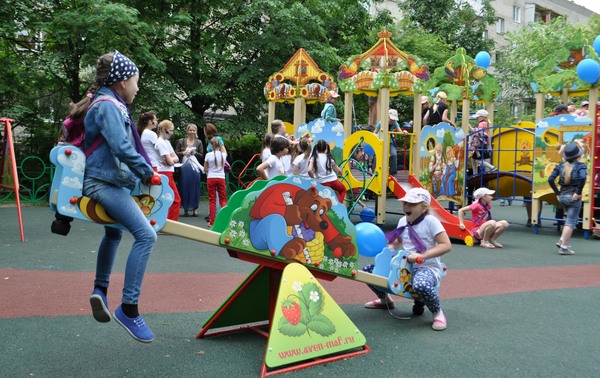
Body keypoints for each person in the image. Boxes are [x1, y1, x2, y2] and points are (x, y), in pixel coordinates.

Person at [82, 51, 157, 342]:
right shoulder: (109, 106)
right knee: (146, 236)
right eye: (137, 82)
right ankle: (129, 308)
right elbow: (122, 147)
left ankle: (100, 290)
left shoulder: (105, 102)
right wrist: (146, 172)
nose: (138, 88)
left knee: (113, 234)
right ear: (123, 81)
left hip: (106, 180)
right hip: (103, 183)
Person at [363, 188, 451, 331]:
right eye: (405, 202)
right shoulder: (403, 220)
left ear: (423, 208)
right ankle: (385, 301)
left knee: (421, 284)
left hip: (426, 267)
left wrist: (422, 256)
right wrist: (390, 248)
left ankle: (437, 312)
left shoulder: (431, 222)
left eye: (411, 204)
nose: (406, 206)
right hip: (405, 266)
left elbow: (446, 245)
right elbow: (398, 240)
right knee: (369, 272)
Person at [548, 142, 587, 255]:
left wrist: (557, 193)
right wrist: (578, 192)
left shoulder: (561, 166)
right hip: (573, 196)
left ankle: (562, 240)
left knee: (570, 220)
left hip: (563, 196)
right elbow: (583, 177)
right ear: (578, 156)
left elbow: (550, 179)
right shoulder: (581, 166)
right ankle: (564, 247)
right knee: (571, 222)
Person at [176, 123, 204, 217]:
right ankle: (185, 209)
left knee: (194, 187)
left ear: (196, 131)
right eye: (190, 130)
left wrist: (194, 153)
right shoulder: (181, 141)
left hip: (195, 168)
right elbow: (176, 153)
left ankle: (195, 209)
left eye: (193, 130)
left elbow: (201, 155)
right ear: (187, 131)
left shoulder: (199, 142)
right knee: (184, 187)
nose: (192, 132)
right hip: (184, 167)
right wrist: (183, 153)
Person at [308, 139, 347, 204]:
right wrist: (341, 172)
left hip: (322, 182)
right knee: (342, 190)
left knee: (321, 198)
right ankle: (339, 207)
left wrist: (314, 178)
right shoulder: (329, 157)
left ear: (316, 148)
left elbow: (309, 170)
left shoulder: (314, 158)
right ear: (326, 147)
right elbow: (338, 170)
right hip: (333, 181)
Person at [156, 120, 181, 221]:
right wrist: (171, 160)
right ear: (164, 130)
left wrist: (171, 160)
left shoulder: (167, 142)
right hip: (164, 173)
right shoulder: (161, 143)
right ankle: (170, 223)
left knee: (169, 198)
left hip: (167, 172)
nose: (172, 133)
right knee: (175, 199)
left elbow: (175, 158)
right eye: (170, 130)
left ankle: (167, 222)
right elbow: (170, 161)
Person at [204, 137, 228, 228]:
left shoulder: (208, 155)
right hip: (221, 178)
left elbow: (205, 168)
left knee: (212, 200)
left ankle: (212, 222)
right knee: (223, 199)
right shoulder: (223, 155)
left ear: (211, 145)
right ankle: (225, 220)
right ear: (219, 145)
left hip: (211, 178)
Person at [373, 109, 405, 175]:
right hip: (381, 141)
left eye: (394, 119)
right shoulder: (381, 123)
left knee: (393, 155)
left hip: (390, 141)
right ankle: (374, 172)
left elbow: (400, 132)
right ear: (387, 117)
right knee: (377, 156)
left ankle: (393, 173)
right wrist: (376, 135)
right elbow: (374, 132)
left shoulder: (395, 123)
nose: (392, 121)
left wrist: (404, 132)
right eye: (391, 119)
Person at [469, 109, 496, 173]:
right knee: (473, 158)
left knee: (477, 160)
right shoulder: (485, 123)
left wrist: (470, 128)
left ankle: (492, 167)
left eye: (478, 117)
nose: (477, 119)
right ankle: (475, 173)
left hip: (479, 144)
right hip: (482, 143)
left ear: (482, 117)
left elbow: (479, 133)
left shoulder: (482, 123)